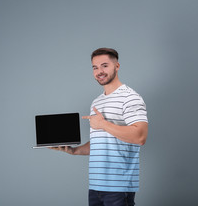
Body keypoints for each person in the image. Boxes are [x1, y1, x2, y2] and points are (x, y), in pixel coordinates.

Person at [52, 48, 148, 206]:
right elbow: (102, 144)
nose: (99, 71)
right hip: (96, 186)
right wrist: (73, 150)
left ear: (117, 66)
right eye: (95, 67)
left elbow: (140, 137)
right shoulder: (97, 102)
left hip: (118, 187)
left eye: (104, 65)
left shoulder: (130, 97)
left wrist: (103, 124)